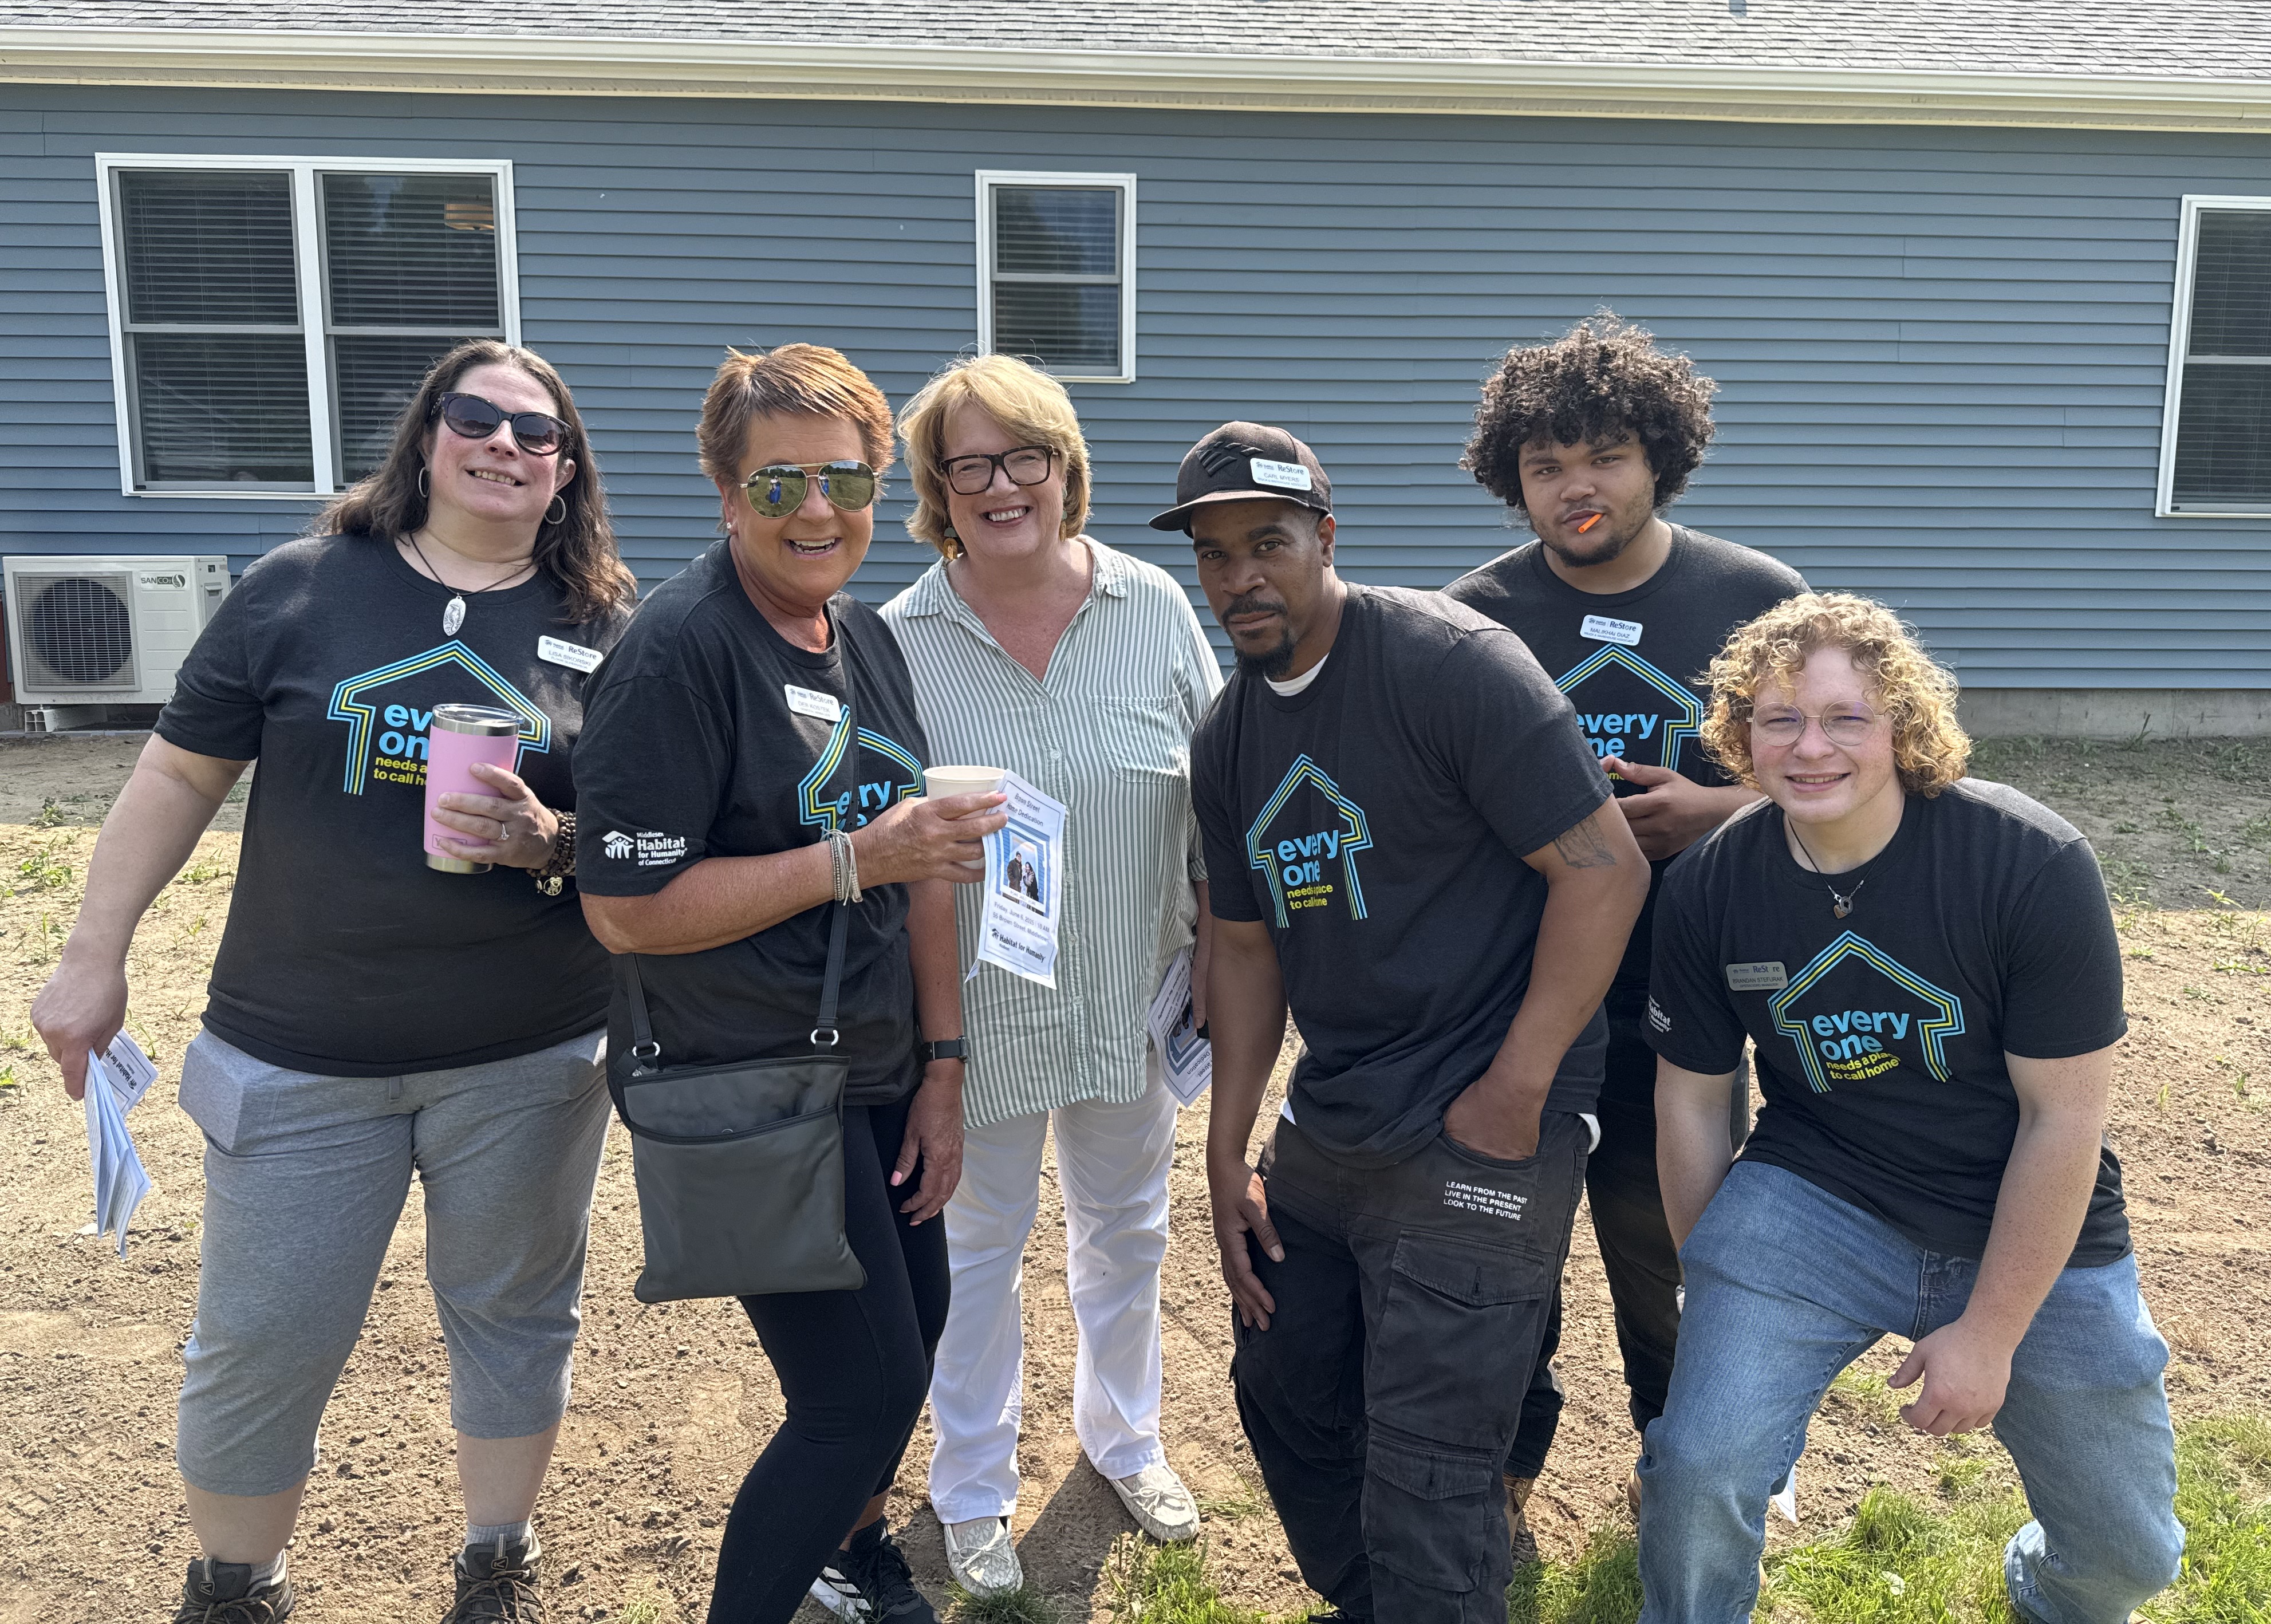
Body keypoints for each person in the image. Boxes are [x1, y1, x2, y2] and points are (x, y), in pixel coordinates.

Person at [31, 340, 636, 1624]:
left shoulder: (605, 625)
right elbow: (177, 774)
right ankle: (235, 1583)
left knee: (517, 1313)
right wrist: (93, 955)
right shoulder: (300, 589)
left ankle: (498, 1560)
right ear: (426, 435)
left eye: (539, 433)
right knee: (266, 1332)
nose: (506, 444)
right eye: (476, 417)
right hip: (299, 1049)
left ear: (567, 471)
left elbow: (640, 834)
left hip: (528, 1054)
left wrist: (551, 843)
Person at [1170, 422, 1649, 1624]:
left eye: (1268, 543)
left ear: (1326, 538)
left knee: (1430, 1461)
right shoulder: (1230, 736)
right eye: (1216, 555)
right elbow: (1243, 949)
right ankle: (1377, 1600)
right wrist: (1226, 1153)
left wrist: (1518, 1088)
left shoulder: (1449, 665)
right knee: (1284, 1382)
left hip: (1487, 1105)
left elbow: (1605, 874)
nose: (1241, 577)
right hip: (1338, 1114)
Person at [1637, 592, 2183, 1622]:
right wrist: (1711, 1280)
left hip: (2014, 1208)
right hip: (1817, 1197)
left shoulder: (2027, 862)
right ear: (1742, 735)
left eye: (1845, 718)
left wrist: (1992, 1331)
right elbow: (1695, 1103)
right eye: (1780, 719)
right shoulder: (1711, 885)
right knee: (1701, 1468)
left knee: (2130, 1559)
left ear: (1904, 725)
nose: (1811, 748)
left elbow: (2064, 1120)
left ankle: (2048, 1589)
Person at [573, 345, 1006, 1624]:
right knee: (856, 1396)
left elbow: (922, 867)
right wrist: (855, 857)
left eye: (846, 480)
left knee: (914, 1334)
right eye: (779, 484)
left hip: (873, 1066)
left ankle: (850, 1554)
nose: (818, 510)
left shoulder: (863, 636)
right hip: (754, 1078)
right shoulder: (679, 653)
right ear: (726, 494)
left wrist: (943, 1067)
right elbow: (627, 909)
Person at [1445, 313, 1808, 1527]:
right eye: (1545, 465)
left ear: (1660, 456)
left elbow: (1843, 783)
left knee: (1674, 1252)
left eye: (1604, 455)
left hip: (1689, 1001)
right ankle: (1508, 1462)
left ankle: (1683, 1458)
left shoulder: (1755, 603)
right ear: (1513, 479)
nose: (1576, 486)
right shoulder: (1475, 619)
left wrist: (1715, 810)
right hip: (1523, 1001)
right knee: (1513, 1251)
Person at [882, 355, 1221, 1594]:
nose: (999, 485)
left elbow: (1214, 793)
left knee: (1127, 1233)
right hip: (976, 1018)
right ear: (938, 490)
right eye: (967, 465)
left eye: (1023, 456)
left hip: (1133, 994)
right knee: (975, 1255)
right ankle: (972, 1485)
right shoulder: (898, 640)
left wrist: (1218, 948)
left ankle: (1125, 1441)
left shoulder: (1154, 608)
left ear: (1066, 469)